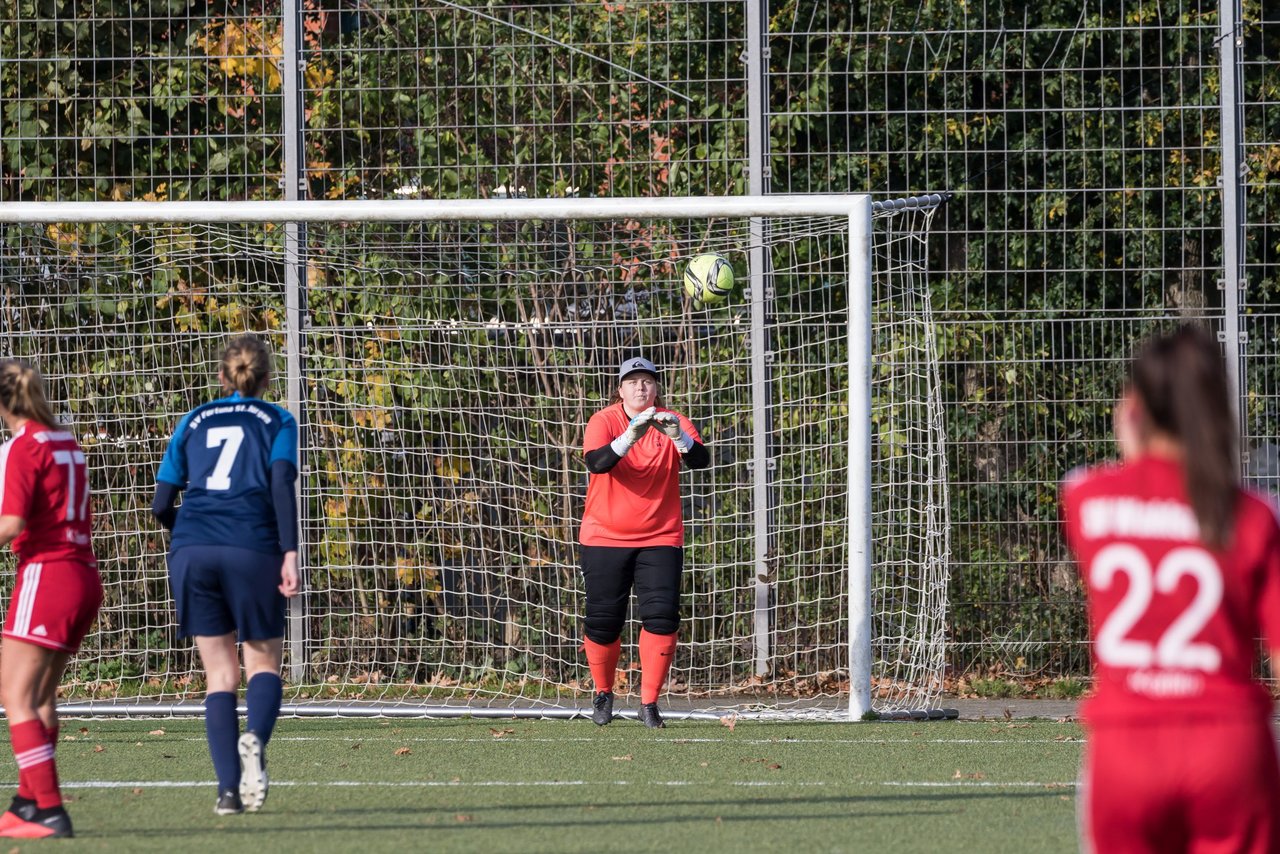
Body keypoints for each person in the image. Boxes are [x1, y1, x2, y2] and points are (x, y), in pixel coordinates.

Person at [1060, 325, 1280, 854]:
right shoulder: (1254, 515)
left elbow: (1138, 494)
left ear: (1134, 406)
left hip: (1125, 750)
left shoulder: (1085, 499)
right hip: (1229, 749)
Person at [152, 335, 300, 815]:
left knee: (219, 675)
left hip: (191, 549)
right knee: (262, 665)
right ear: (268, 377)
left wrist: (191, 534)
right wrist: (289, 551)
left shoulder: (192, 419)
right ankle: (254, 738)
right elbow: (279, 482)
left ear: (222, 377)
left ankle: (228, 794)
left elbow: (160, 505)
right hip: (251, 546)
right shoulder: (278, 419)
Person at [0, 360, 102, 839]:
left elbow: (13, 525)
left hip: (48, 573)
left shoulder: (24, 447)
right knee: (39, 697)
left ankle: (51, 810)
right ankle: (26, 804)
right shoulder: (67, 441)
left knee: (14, 697)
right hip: (83, 575)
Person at [579, 356, 710, 728]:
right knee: (604, 621)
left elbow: (701, 460)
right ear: (620, 389)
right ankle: (604, 694)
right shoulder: (604, 420)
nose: (641, 387)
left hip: (660, 536)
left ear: (656, 388)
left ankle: (649, 703)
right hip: (605, 536)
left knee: (662, 615)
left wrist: (677, 436)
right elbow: (597, 463)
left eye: (648, 381)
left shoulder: (673, 420)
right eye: (633, 381)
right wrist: (630, 437)